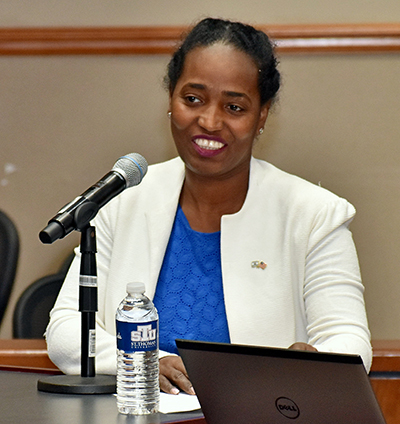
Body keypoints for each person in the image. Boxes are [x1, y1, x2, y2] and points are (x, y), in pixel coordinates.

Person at [46, 17, 372, 396]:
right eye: (193, 99)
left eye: (234, 107)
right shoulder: (125, 198)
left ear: (262, 115)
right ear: (171, 98)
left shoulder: (315, 214)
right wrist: (140, 361)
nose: (209, 121)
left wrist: (307, 366)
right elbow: (66, 330)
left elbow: (349, 339)